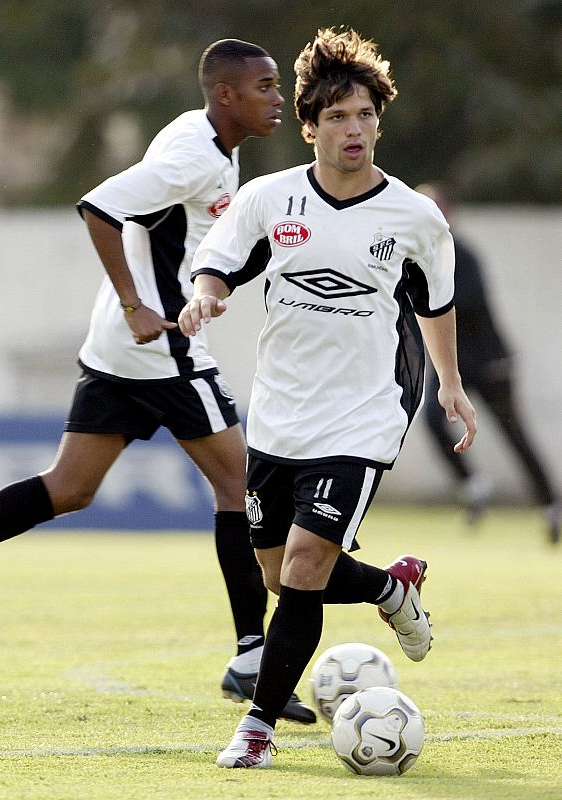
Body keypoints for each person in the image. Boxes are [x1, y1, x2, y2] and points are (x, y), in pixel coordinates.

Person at [0, 39, 316, 724]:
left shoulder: (213, 143)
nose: (276, 97)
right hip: (158, 345)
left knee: (69, 488)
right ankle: (252, 656)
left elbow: (181, 236)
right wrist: (139, 304)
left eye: (275, 85)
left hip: (116, 347)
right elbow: (99, 207)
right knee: (240, 483)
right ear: (225, 93)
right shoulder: (194, 153)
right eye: (263, 86)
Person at [178, 26, 477, 768]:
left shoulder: (412, 217)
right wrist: (205, 298)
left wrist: (449, 385)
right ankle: (389, 588)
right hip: (280, 414)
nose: (354, 129)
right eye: (338, 116)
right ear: (310, 126)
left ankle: (257, 728)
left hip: (364, 411)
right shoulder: (266, 199)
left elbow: (434, 306)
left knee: (307, 564)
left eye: (365, 115)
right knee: (278, 571)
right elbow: (217, 265)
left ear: (380, 121)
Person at [416, 183, 560, 543]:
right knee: (432, 420)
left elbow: (465, 301)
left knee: (513, 433)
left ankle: (550, 505)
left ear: (447, 215)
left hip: (487, 362)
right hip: (451, 367)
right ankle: (474, 484)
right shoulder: (420, 258)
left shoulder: (461, 255)